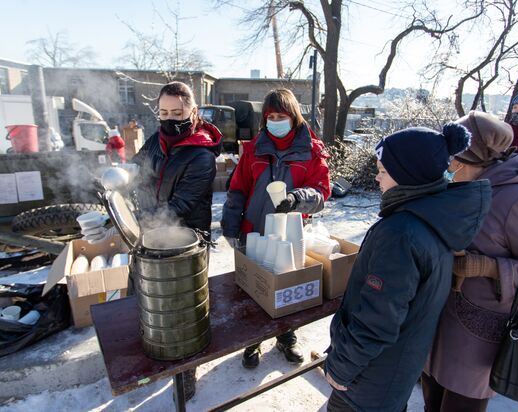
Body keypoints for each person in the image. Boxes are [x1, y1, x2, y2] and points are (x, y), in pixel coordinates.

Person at [324, 124, 491, 412]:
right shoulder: (432, 218)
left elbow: (378, 319)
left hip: (368, 382)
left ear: (408, 176)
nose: (376, 177)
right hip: (394, 374)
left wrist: (341, 368)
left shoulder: (401, 233)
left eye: (383, 171)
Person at [79, 81, 223, 401]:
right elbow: (138, 169)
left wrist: (131, 226)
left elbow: (180, 207)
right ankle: (147, 354)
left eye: (178, 112)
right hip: (148, 235)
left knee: (183, 310)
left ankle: (186, 372)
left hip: (185, 243)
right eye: (164, 112)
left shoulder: (201, 155)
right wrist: (120, 180)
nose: (171, 119)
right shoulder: (157, 141)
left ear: (193, 112)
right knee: (143, 297)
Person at [423, 110, 518, 412]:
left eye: (454, 160)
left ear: (479, 160)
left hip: (476, 342)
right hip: (437, 329)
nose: (447, 167)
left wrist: (491, 268)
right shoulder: (460, 188)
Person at [221, 88, 331, 369]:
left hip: (288, 236)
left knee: (285, 288)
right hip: (253, 231)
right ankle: (253, 341)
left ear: (293, 117)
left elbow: (320, 194)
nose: (274, 120)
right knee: (253, 289)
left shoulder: (311, 151)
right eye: (269, 116)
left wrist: (297, 199)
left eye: (280, 115)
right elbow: (237, 190)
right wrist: (230, 224)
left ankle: (286, 337)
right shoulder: (255, 148)